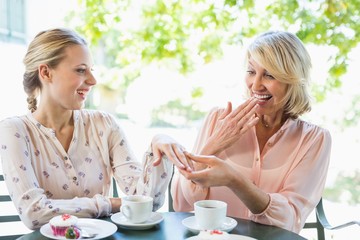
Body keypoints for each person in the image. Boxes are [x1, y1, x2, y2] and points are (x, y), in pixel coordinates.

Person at [0, 28, 191, 230]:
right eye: (81, 70)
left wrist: (159, 146)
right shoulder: (14, 131)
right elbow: (34, 213)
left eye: (91, 70)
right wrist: (109, 204)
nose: (93, 80)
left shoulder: (104, 124)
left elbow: (145, 202)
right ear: (46, 72)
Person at [171, 31, 332, 233]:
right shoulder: (217, 119)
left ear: (292, 81)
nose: (255, 85)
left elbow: (289, 220)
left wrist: (236, 180)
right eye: (251, 71)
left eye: (269, 75)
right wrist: (214, 144)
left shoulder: (314, 139)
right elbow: (185, 201)